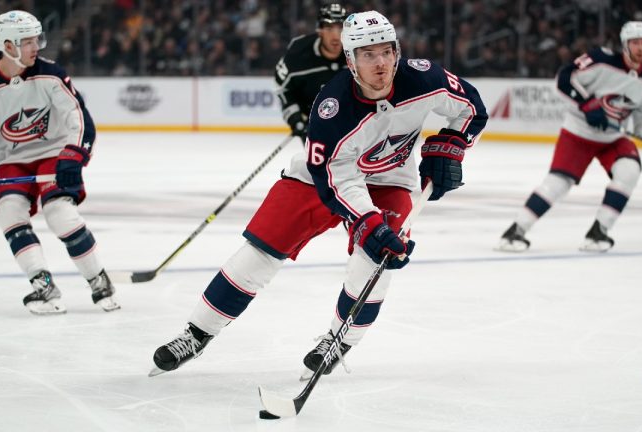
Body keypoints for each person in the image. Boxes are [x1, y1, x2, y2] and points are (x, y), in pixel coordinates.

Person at [150, 10, 487, 377]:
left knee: (378, 258)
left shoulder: (425, 79)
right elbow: (337, 179)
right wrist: (367, 221)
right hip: (320, 179)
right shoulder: (333, 109)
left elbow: (472, 108)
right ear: (350, 60)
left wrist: (452, 144)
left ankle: (338, 341)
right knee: (262, 248)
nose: (381, 63)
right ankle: (197, 333)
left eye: (387, 51)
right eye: (368, 54)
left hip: (391, 181)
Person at [0, 10, 120, 314]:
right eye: (28, 41)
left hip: (53, 154)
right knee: (9, 213)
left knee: (59, 213)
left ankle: (98, 280)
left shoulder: (50, 74)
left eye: (36, 39)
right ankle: (42, 285)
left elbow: (78, 119)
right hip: (13, 160)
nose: (37, 46)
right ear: (8, 46)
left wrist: (73, 156)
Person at [497, 21, 642, 253]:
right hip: (578, 133)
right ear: (624, 44)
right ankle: (515, 231)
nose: (640, 48)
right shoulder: (601, 60)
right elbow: (565, 78)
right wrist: (587, 104)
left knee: (629, 171)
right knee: (558, 184)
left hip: (612, 138)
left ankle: (598, 232)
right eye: (635, 43)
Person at [274, 2, 348, 144]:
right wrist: (295, 118)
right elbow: (283, 88)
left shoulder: (358, 53)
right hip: (313, 125)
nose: (336, 35)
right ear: (319, 30)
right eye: (329, 28)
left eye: (341, 28)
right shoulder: (298, 53)